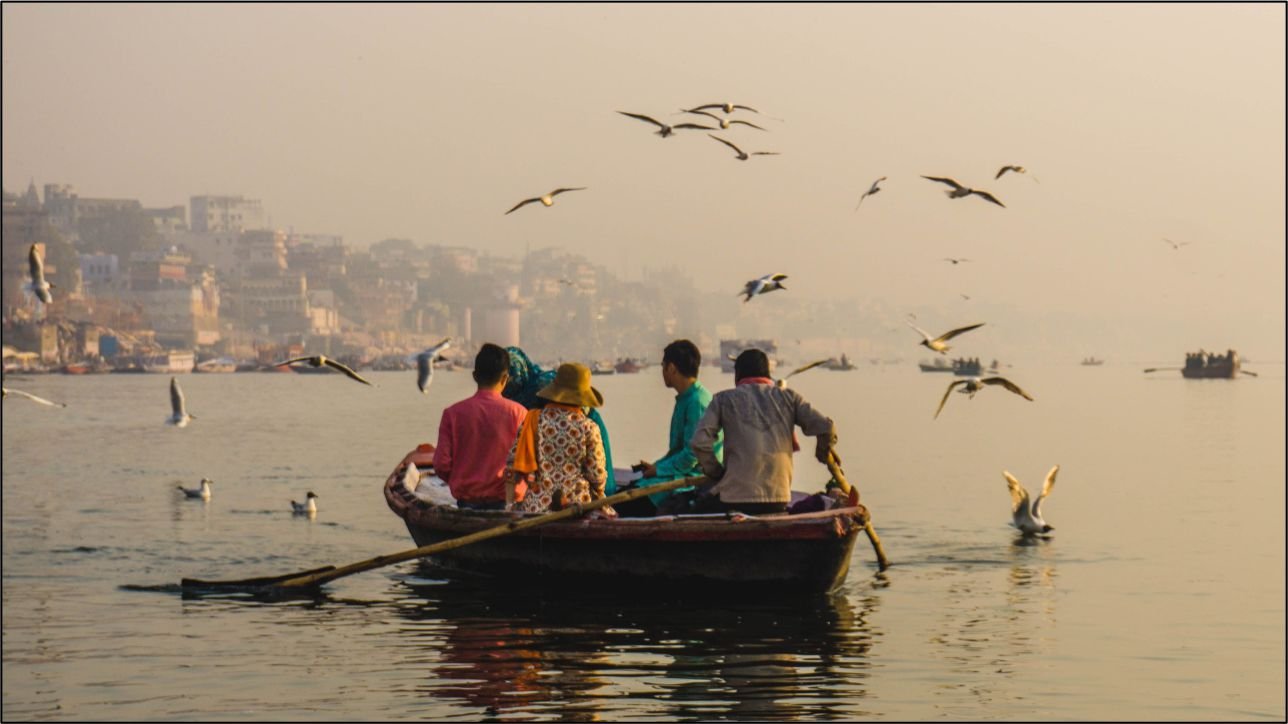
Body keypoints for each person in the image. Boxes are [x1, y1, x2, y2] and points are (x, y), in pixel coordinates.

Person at [689, 348, 837, 515]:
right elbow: (826, 427)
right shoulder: (790, 397)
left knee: (691, 506)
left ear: (737, 375)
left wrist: (716, 473)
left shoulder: (722, 400)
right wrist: (823, 449)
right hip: (779, 499)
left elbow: (699, 443)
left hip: (734, 500)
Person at [618, 340, 722, 517]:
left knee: (624, 506)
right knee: (625, 493)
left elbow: (692, 456)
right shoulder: (686, 399)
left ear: (671, 368)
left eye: (663, 367)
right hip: (678, 473)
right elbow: (678, 450)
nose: (662, 372)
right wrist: (656, 467)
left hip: (692, 479)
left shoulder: (697, 402)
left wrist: (659, 470)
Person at [502, 347, 616, 492]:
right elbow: (597, 476)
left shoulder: (534, 414)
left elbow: (515, 463)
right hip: (574, 496)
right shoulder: (588, 427)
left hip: (542, 496)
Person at [433, 343, 529, 510]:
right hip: (510, 504)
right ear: (505, 378)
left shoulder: (452, 414)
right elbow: (529, 463)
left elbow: (442, 465)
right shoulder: (519, 413)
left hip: (467, 502)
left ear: (475, 376)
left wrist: (462, 481)